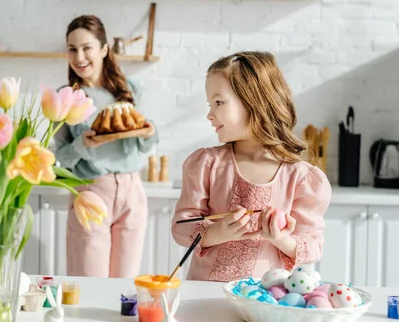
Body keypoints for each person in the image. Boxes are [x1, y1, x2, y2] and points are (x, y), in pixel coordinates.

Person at [171, 51, 331, 281]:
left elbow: (312, 247)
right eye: (210, 104)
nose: (209, 114)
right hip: (203, 297)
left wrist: (280, 238)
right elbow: (181, 226)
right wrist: (217, 232)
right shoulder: (206, 164)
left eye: (218, 102)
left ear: (254, 101)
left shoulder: (302, 178)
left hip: (265, 302)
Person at [54, 15, 159, 278]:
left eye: (87, 47)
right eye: (73, 49)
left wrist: (150, 133)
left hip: (132, 191)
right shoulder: (66, 97)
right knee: (88, 281)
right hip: (90, 190)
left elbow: (146, 145)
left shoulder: (130, 90)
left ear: (103, 49)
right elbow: (62, 159)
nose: (79, 57)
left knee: (125, 285)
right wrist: (81, 144)